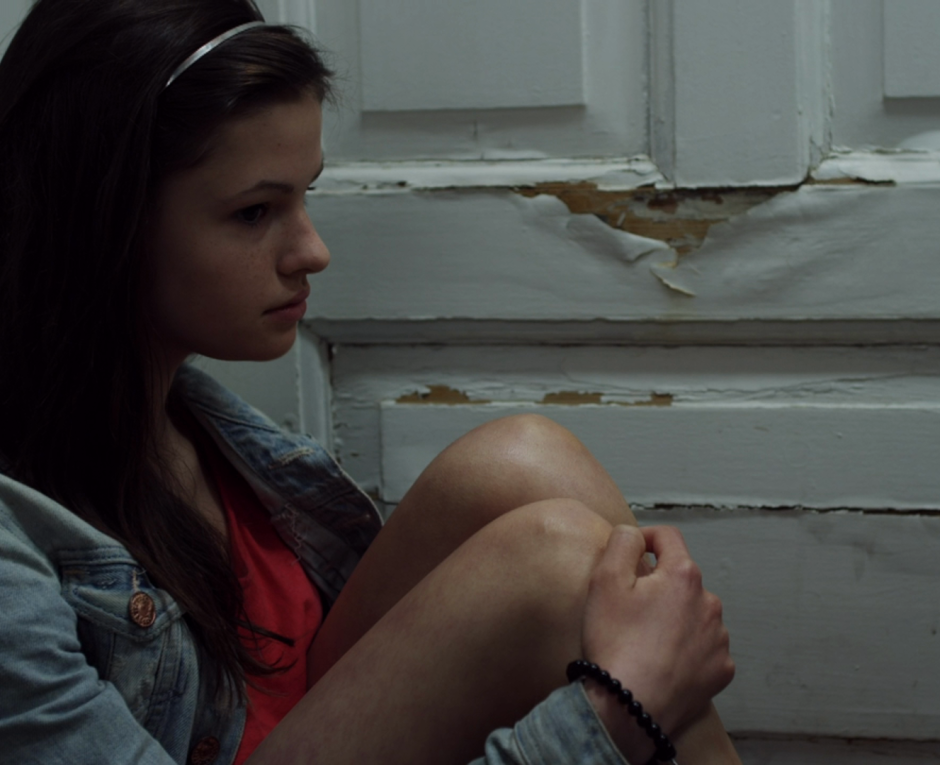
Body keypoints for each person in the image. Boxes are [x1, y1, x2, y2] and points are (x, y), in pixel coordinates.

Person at [0, 1, 740, 763]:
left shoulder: (201, 438)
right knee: (557, 569)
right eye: (254, 212)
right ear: (101, 218)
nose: (312, 251)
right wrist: (613, 712)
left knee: (525, 458)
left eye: (304, 195)